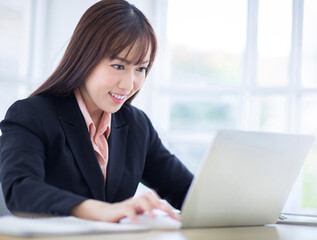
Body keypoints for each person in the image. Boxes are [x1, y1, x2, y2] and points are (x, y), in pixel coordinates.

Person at [0, 0, 193, 223]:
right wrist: (103, 211)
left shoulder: (137, 125)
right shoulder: (32, 115)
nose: (129, 85)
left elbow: (186, 191)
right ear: (86, 58)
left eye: (141, 68)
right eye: (118, 66)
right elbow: (20, 190)